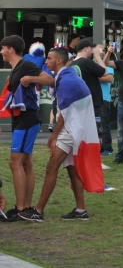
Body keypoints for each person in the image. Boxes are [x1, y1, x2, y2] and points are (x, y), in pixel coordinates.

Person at [19, 48, 101, 222]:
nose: (46, 61)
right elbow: (52, 85)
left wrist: (54, 135)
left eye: (49, 59)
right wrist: (31, 78)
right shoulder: (67, 76)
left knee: (51, 168)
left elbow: (65, 113)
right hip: (75, 129)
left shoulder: (66, 80)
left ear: (58, 61)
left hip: (71, 130)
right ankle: (81, 210)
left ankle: (38, 212)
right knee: (72, 170)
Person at [0, 35, 54, 221]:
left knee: (15, 163)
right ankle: (26, 207)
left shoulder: (25, 65)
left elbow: (49, 79)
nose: (1, 52)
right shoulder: (16, 68)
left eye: (3, 48)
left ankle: (21, 208)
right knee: (26, 162)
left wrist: (30, 78)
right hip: (22, 119)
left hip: (27, 119)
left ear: (11, 50)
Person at [96, 44, 115, 157]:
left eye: (103, 50)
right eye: (99, 50)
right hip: (92, 98)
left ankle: (108, 148)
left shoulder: (106, 63)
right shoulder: (90, 63)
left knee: (104, 124)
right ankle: (98, 147)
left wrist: (93, 77)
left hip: (104, 98)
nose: (101, 52)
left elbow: (109, 78)